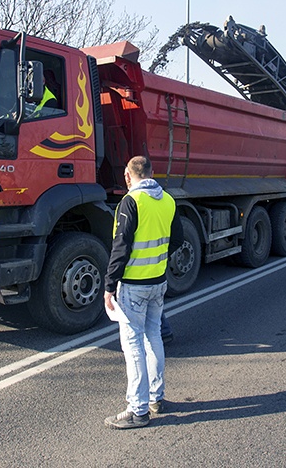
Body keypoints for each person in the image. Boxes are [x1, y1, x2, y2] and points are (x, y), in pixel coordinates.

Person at [104, 156, 183, 429]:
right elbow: (178, 239)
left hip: (134, 286)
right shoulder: (168, 200)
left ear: (128, 175)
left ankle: (138, 411)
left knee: (133, 345)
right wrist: (158, 260)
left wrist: (108, 284)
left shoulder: (130, 202)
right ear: (152, 173)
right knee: (153, 338)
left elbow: (121, 246)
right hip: (158, 282)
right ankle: (155, 398)